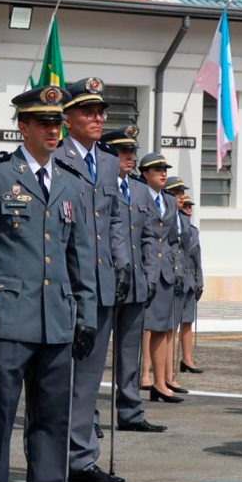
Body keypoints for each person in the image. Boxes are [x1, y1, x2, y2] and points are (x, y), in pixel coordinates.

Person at [0, 85, 97, 482]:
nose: (53, 131)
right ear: (23, 127)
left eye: (57, 123)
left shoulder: (70, 182)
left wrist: (88, 316)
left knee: (52, 418)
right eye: (44, 123)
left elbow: (80, 255)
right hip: (9, 316)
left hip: (57, 320)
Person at [51, 77, 130, 482]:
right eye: (88, 111)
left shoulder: (110, 162)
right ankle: (48, 459)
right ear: (67, 118)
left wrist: (122, 265)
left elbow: (114, 218)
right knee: (53, 377)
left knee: (86, 379)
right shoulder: (55, 155)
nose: (98, 118)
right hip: (62, 284)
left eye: (101, 112)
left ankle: (80, 459)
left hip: (99, 284)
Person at [99, 127, 167, 433]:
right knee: (94, 355)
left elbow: (151, 236)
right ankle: (87, 418)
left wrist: (150, 275)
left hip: (137, 283)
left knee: (130, 352)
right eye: (122, 151)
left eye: (131, 152)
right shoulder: (99, 186)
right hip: (105, 281)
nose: (129, 157)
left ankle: (130, 411)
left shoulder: (139, 190)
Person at [137, 153, 183, 403]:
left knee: (165, 328)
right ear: (145, 174)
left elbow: (173, 238)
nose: (163, 174)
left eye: (164, 170)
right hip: (147, 267)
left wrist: (175, 268)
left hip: (166, 270)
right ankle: (146, 377)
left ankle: (161, 381)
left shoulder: (167, 199)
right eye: (157, 171)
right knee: (150, 327)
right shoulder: (139, 194)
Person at [162, 176, 192, 395]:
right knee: (160, 330)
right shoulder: (167, 216)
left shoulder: (182, 218)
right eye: (177, 193)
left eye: (182, 193)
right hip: (166, 273)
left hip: (179, 275)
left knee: (172, 329)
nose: (181, 197)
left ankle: (169, 376)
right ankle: (155, 377)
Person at [179, 195, 204, 373]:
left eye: (190, 207)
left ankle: (187, 359)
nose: (189, 209)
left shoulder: (194, 231)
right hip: (175, 279)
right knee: (169, 327)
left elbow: (197, 260)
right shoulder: (173, 227)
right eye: (185, 206)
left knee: (187, 322)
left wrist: (199, 283)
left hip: (189, 281)